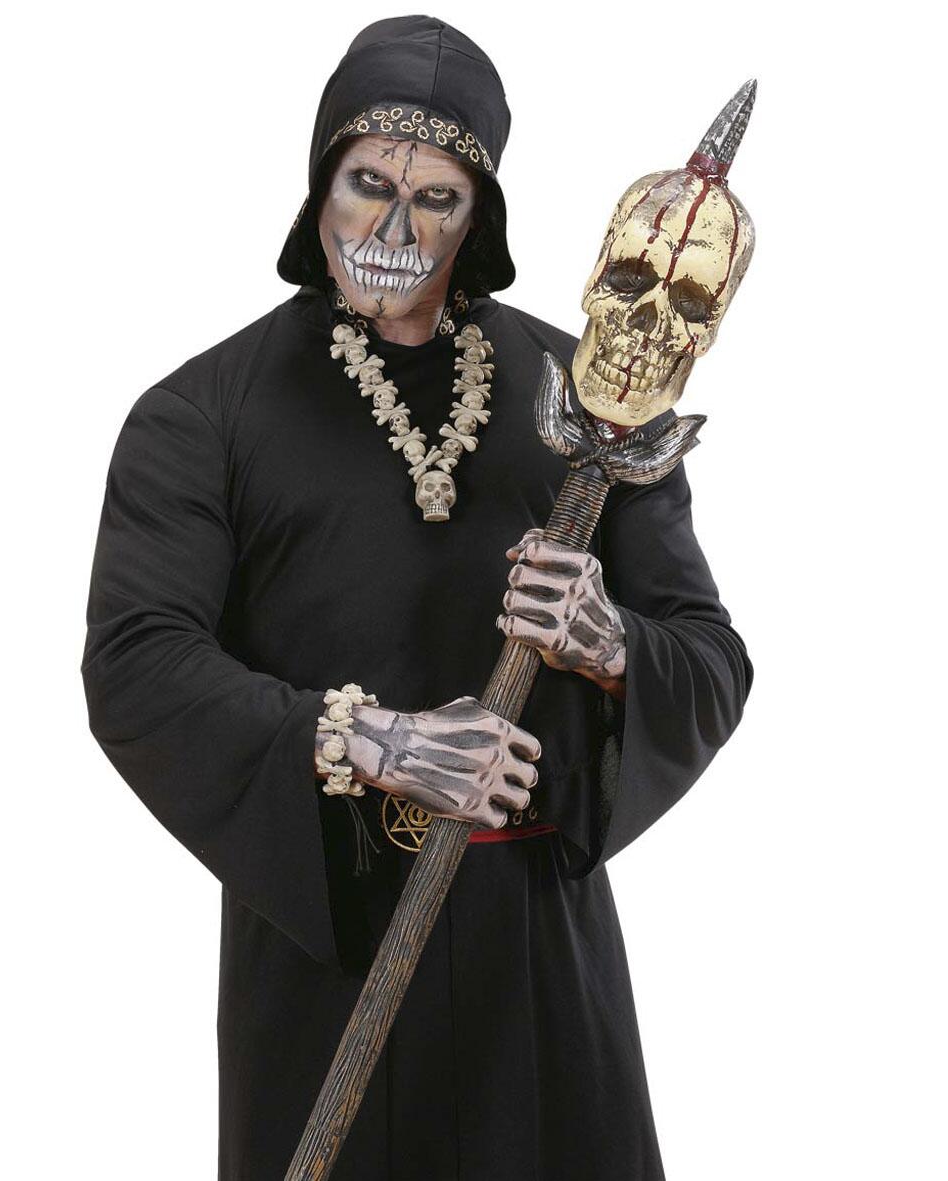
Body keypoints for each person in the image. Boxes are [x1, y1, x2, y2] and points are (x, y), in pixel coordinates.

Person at [81, 16, 752, 1180]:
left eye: (435, 198)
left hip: (539, 960)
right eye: (367, 185)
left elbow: (707, 658)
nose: (392, 232)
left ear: (477, 216)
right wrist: (371, 739)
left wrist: (607, 641)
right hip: (327, 948)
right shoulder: (200, 416)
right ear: (318, 186)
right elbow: (138, 667)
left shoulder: (596, 402)